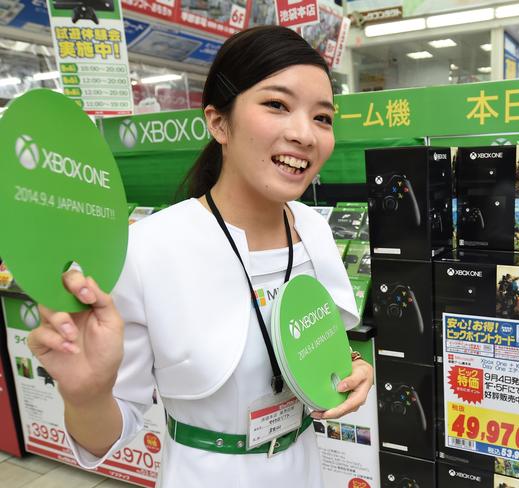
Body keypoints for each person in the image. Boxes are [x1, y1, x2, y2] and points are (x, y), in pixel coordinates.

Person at [26, 25, 374, 487]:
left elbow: (315, 340)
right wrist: (86, 397)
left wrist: (349, 366)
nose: (305, 135)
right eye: (277, 105)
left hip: (306, 468)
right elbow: (109, 431)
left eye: (323, 118)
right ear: (218, 122)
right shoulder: (150, 248)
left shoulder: (313, 230)